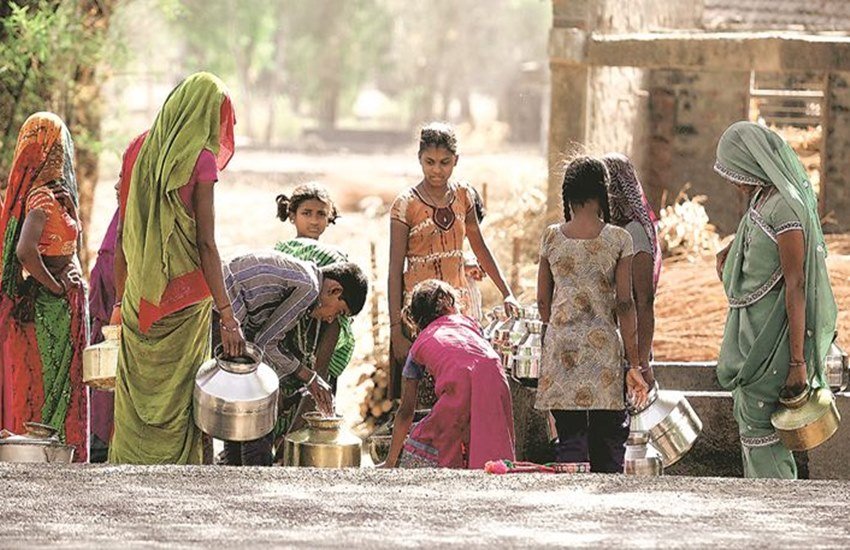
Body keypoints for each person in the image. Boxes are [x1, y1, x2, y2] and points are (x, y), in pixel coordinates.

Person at [109, 72, 245, 465]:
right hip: (186, 302)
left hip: (140, 296)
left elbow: (123, 235)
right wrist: (227, 314)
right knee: (182, 399)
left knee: (136, 399)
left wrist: (121, 300)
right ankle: (176, 480)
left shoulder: (138, 149)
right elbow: (206, 243)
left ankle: (126, 471)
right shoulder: (201, 162)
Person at [713, 121, 837, 479]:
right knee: (755, 432)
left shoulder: (785, 210)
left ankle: (778, 517)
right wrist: (731, 251)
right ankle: (763, 517)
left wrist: (798, 362)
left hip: (776, 343)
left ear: (752, 161)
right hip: (753, 336)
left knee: (763, 437)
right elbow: (755, 251)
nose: (734, 181)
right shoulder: (762, 199)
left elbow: (796, 285)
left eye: (734, 171)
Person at [388, 122, 519, 400]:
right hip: (420, 313)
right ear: (419, 159)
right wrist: (395, 330)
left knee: (461, 391)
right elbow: (394, 269)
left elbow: (479, 246)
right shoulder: (405, 205)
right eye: (430, 162)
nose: (437, 169)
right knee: (425, 394)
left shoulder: (464, 196)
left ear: (456, 161)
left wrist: (507, 293)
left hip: (458, 311)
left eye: (445, 162)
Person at [535, 156, 648, 473]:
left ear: (567, 194)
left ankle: (570, 509)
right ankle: (606, 508)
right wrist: (634, 363)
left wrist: (559, 329)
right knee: (609, 437)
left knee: (569, 436)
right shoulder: (618, 239)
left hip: (562, 351)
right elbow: (625, 304)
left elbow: (543, 301)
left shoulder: (551, 237)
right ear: (603, 194)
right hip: (603, 355)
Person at [218, 251, 368, 466]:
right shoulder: (309, 288)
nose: (330, 318)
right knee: (262, 408)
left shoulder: (305, 276)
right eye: (339, 311)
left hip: (226, 312)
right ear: (335, 290)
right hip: (223, 316)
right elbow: (265, 342)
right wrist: (310, 378)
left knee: (241, 409)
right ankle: (256, 479)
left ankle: (236, 476)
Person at [0, 112, 89, 462]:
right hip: (50, 308)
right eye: (54, 151)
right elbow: (25, 251)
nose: (60, 158)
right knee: (52, 385)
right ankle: (45, 457)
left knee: (63, 383)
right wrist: (54, 287)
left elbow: (67, 243)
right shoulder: (40, 199)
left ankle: (59, 457)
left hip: (64, 306)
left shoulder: (55, 195)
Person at [382, 279, 515, 469]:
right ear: (452, 305)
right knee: (489, 435)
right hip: (496, 378)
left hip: (461, 385)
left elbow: (405, 412)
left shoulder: (421, 343)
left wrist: (390, 461)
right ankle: (494, 470)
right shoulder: (471, 325)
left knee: (420, 446)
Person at [602, 153, 661, 386]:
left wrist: (642, 362)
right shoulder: (608, 229)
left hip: (631, 351)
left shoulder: (634, 232)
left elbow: (644, 302)